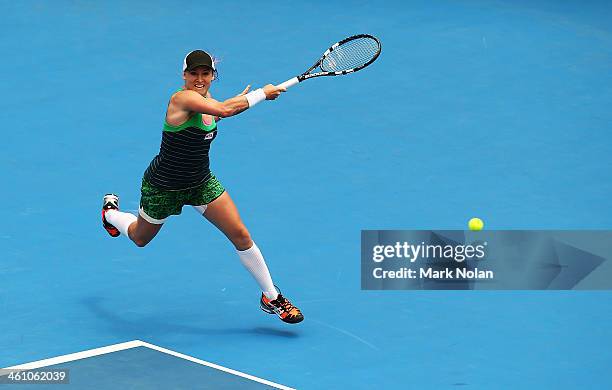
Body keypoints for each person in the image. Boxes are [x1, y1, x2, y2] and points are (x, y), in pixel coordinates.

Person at [101, 50, 303, 324]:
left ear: (212, 75)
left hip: (200, 182)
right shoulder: (180, 98)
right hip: (164, 186)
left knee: (241, 235)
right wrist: (260, 94)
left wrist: (240, 102)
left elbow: (219, 113)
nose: (199, 78)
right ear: (184, 75)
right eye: (193, 73)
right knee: (140, 237)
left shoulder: (208, 101)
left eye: (205, 73)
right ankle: (110, 213)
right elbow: (223, 110)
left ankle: (271, 297)